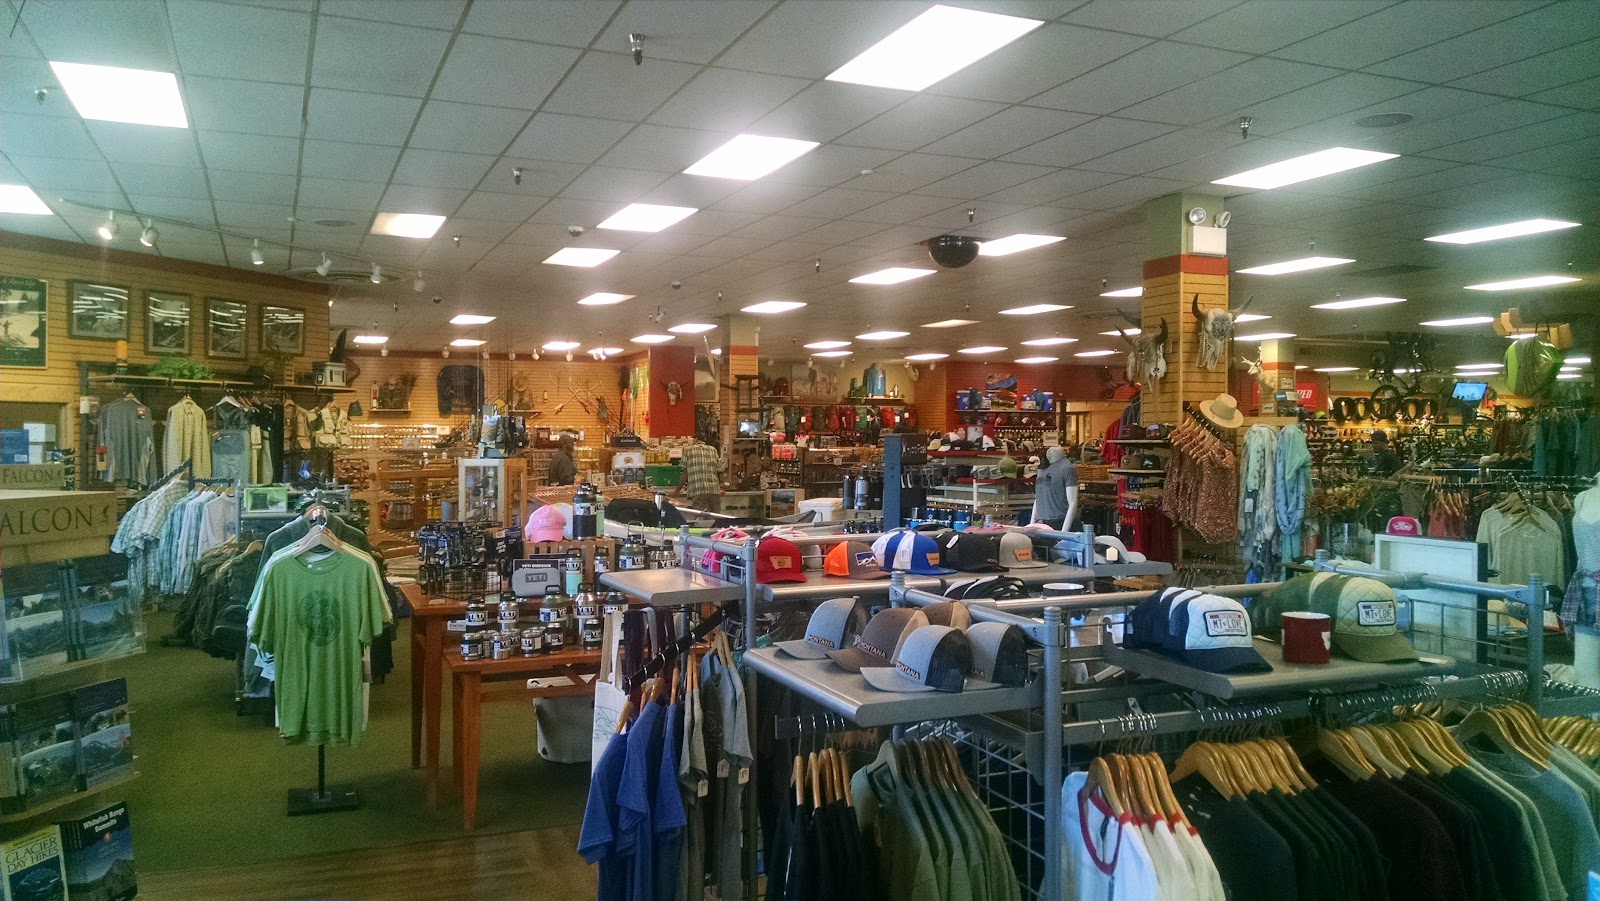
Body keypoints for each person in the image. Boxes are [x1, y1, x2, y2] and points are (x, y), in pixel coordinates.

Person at [1031, 446, 1079, 531]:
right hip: (1041, 523)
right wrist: (1032, 523)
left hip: (1059, 522)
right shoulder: (1042, 469)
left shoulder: (1067, 469)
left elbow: (1073, 503)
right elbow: (1038, 498)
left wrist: (1064, 533)